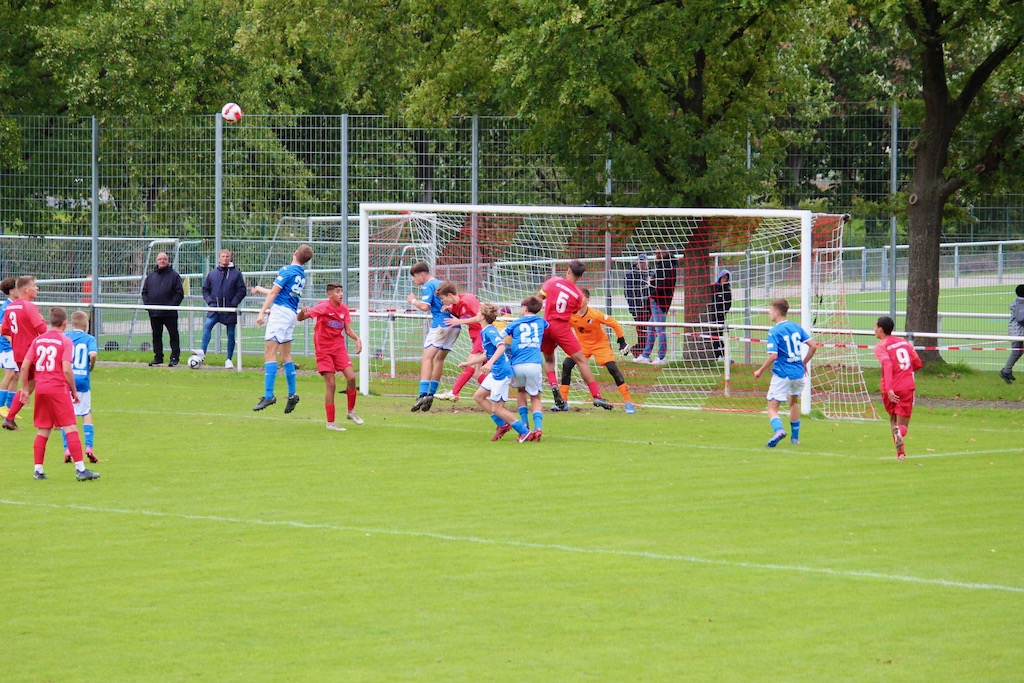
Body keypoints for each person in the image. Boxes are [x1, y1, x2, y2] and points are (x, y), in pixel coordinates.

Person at [19, 307, 100, 481]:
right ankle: (80, 469)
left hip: (41, 389)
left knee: (43, 429)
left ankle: (38, 470)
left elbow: (25, 366)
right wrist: (73, 390)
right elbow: (67, 369)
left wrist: (25, 389)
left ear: (50, 322)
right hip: (57, 388)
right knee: (70, 426)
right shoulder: (65, 341)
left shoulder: (38, 340)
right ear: (65, 323)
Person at [538, 260, 612, 411]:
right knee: (581, 361)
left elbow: (538, 299)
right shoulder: (579, 295)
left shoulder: (553, 281)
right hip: (562, 327)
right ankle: (596, 396)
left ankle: (554, 386)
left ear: (568, 271)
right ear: (581, 276)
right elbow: (573, 311)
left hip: (546, 325)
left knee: (549, 360)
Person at [254, 244, 313, 413]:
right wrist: (260, 289)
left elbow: (274, 294)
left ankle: (269, 395)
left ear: (295, 253)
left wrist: (261, 312)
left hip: (280, 313)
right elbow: (277, 291)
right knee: (285, 354)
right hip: (291, 314)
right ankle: (292, 394)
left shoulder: (287, 270)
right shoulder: (301, 274)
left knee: (269, 352)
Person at [753, 298, 819, 448]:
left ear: (777, 312)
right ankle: (795, 439)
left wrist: (760, 370)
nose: (769, 313)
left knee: (772, 407)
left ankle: (779, 431)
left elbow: (773, 355)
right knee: (793, 402)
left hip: (783, 374)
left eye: (770, 310)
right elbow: (813, 346)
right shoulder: (795, 327)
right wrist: (803, 363)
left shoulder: (774, 331)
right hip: (798, 374)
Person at [297, 282, 364, 431]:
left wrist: (357, 339)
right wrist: (302, 312)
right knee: (331, 385)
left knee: (351, 378)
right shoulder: (322, 307)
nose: (341, 294)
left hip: (339, 348)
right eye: (338, 291)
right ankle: (331, 422)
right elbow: (300, 318)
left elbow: (347, 329)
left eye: (341, 291)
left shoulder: (344, 309)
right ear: (330, 294)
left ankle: (351, 412)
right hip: (323, 350)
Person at [558, 287, 636, 414]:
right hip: (582, 346)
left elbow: (614, 323)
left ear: (587, 300)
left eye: (581, 298)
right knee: (567, 364)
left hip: (600, 344)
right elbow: (563, 327)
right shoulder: (571, 315)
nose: (578, 300)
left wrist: (622, 341)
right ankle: (563, 402)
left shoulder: (595, 314)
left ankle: (628, 402)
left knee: (612, 368)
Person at [468, 302, 532, 442]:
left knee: (497, 409)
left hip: (501, 373)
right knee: (479, 396)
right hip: (496, 372)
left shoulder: (490, 331)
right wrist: (469, 363)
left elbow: (501, 347)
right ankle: (502, 425)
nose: (476, 315)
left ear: (483, 316)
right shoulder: (485, 331)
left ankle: (525, 432)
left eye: (478, 313)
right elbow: (488, 353)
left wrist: (489, 363)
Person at [406, 262, 458, 413]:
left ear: (422, 275)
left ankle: (423, 394)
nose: (414, 280)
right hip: (454, 325)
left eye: (415, 277)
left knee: (427, 358)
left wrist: (412, 300)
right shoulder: (442, 283)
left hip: (440, 325)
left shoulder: (428, 285)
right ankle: (431, 394)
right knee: (439, 359)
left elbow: (425, 307)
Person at [873, 315, 923, 461]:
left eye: (875, 326)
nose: (874, 329)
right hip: (906, 387)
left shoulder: (880, 347)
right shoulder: (904, 342)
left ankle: (900, 454)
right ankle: (900, 442)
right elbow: (918, 363)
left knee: (893, 420)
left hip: (888, 388)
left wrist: (889, 388)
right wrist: (904, 372)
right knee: (902, 426)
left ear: (881, 329)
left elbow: (887, 364)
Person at [2, 275, 48, 431]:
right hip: (32, 353)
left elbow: (5, 330)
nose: (37, 288)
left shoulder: (10, 307)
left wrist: (17, 340)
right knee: (48, 381)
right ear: (26, 290)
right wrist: (42, 319)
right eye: (34, 285)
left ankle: (10, 419)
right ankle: (50, 419)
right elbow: (42, 329)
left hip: (19, 352)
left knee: (31, 384)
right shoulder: (29, 307)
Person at [194, 249, 247, 369]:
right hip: (215, 308)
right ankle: (202, 351)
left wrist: (233, 303)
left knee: (231, 334)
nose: (225, 258)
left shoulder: (236, 274)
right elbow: (205, 289)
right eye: (223, 256)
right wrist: (210, 302)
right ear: (219, 258)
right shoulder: (213, 273)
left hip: (230, 309)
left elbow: (242, 290)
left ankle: (229, 359)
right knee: (207, 326)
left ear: (230, 258)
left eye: (227, 256)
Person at [435, 281, 484, 403]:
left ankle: (454, 393)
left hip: (483, 334)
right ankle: (496, 393)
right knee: (477, 372)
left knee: (471, 363)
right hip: (475, 336)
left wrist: (459, 322)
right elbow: (459, 311)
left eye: (443, 298)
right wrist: (450, 308)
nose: (442, 301)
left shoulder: (468, 299)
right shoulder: (456, 305)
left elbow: (480, 317)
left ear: (450, 295)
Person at [507, 296, 548, 441]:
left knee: (521, 391)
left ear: (524, 308)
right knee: (535, 397)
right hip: (534, 364)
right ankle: (538, 428)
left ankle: (525, 426)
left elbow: (502, 336)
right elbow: (548, 327)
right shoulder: (542, 322)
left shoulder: (515, 323)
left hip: (517, 364)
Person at [61, 311, 99, 464]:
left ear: (71, 323)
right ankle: (88, 446)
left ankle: (67, 448)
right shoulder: (90, 339)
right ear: (86, 324)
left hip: (67, 379)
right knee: (86, 412)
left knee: (66, 414)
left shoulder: (65, 337)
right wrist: (92, 366)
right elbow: (93, 355)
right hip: (82, 380)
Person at [141, 252, 184, 367]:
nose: (162, 261)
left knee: (173, 335)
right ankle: (158, 357)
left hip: (169, 313)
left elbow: (179, 293)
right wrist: (148, 306)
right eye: (160, 259)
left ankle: (174, 358)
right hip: (154, 313)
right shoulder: (151, 276)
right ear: (156, 261)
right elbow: (144, 292)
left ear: (168, 261)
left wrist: (172, 306)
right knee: (156, 336)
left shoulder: (174, 276)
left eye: (164, 259)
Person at [636, 249, 676, 364]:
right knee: (651, 328)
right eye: (656, 253)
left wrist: (653, 295)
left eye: (660, 253)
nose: (657, 255)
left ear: (666, 253)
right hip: (656, 300)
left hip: (660, 301)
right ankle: (645, 355)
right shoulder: (663, 266)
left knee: (659, 329)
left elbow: (665, 284)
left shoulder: (668, 266)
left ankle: (661, 357)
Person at [623, 254, 652, 354]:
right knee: (642, 331)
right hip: (638, 307)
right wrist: (633, 306)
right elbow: (628, 293)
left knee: (650, 331)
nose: (642, 264)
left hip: (650, 307)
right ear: (637, 263)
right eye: (640, 262)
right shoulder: (630, 275)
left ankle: (639, 352)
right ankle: (638, 352)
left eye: (644, 262)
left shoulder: (651, 274)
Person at [0, 277, 19, 417]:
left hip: (16, 345)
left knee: (16, 375)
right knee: (10, 374)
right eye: (18, 288)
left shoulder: (16, 305)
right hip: (7, 346)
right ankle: (1, 406)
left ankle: (10, 408)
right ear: (12, 291)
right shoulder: (5, 307)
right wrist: (12, 341)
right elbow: (2, 328)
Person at [999, 284, 1024, 384]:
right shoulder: (1021, 303)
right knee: (1016, 351)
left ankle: (1007, 370)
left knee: (1018, 351)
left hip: (1017, 331)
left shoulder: (1018, 302)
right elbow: (1021, 318)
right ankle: (1006, 371)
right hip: (1017, 332)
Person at [709, 269, 732, 359]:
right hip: (711, 316)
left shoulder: (727, 290)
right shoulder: (714, 288)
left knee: (717, 336)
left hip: (720, 317)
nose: (724, 280)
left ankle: (721, 355)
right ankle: (721, 355)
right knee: (714, 336)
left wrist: (722, 312)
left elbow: (728, 304)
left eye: (726, 278)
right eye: (723, 278)